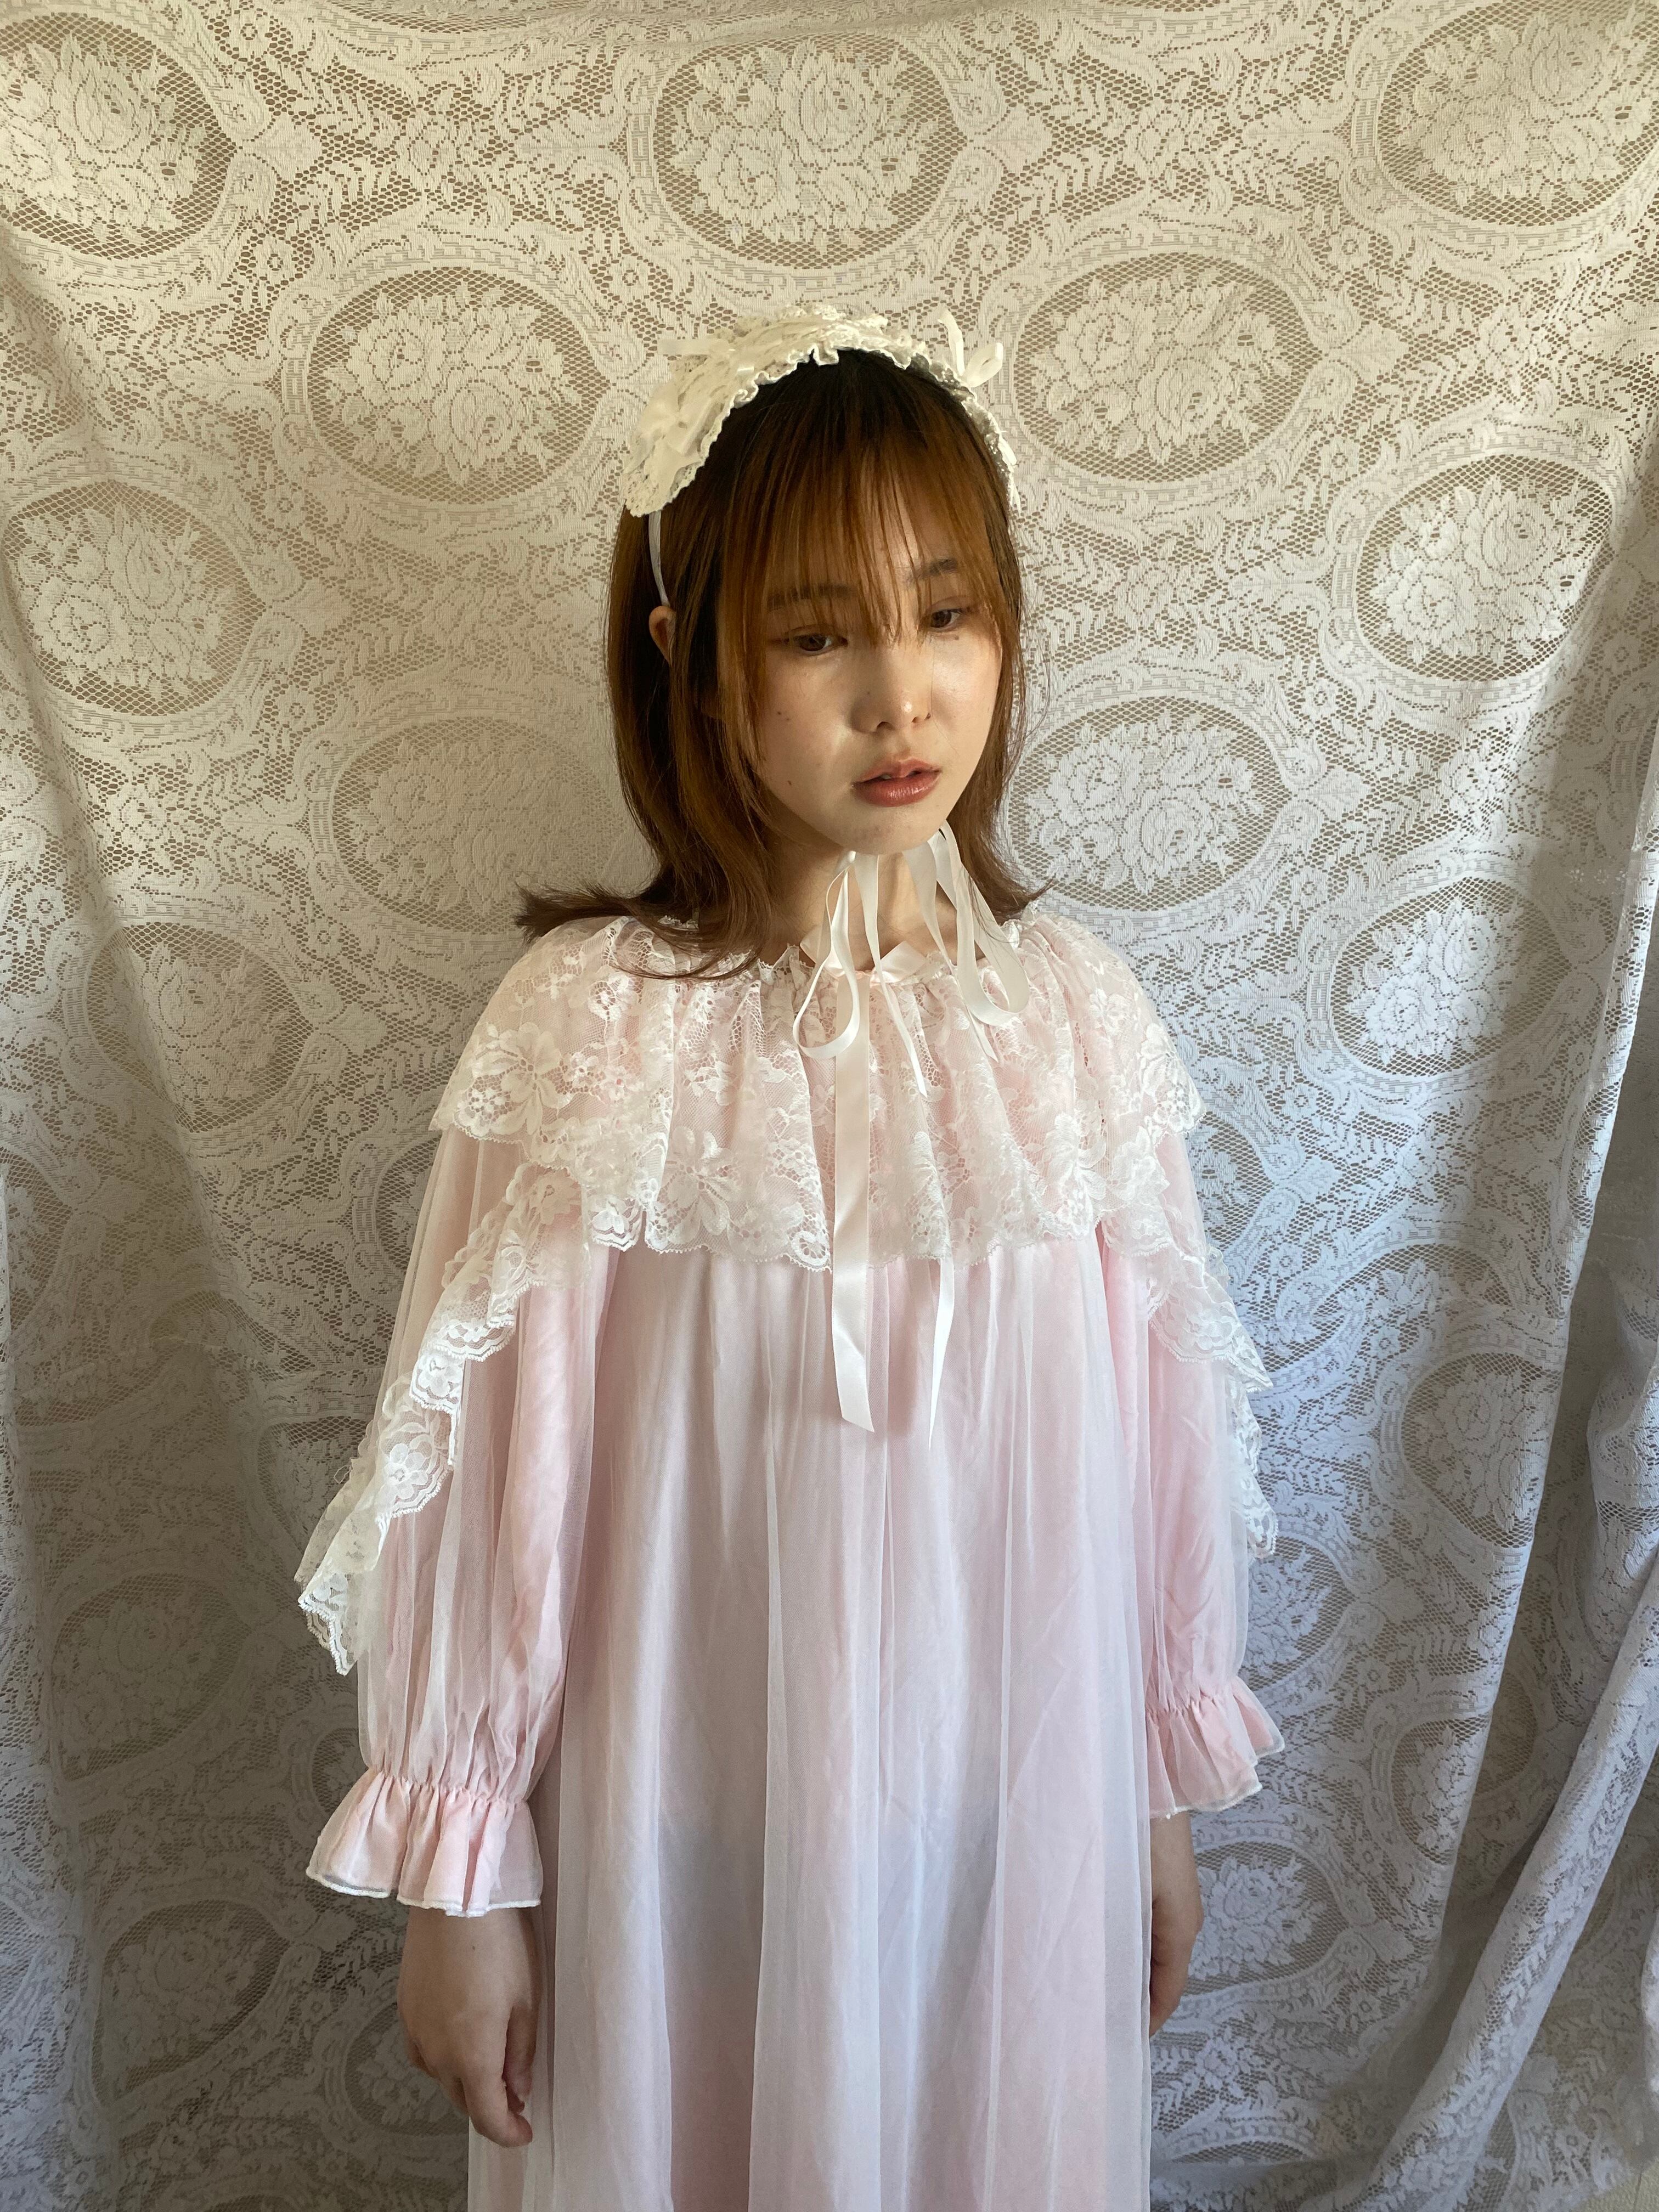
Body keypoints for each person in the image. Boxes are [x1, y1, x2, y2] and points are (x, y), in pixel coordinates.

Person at [295, 299, 1284, 2210]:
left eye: (947, 613)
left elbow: (1151, 1453)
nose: (902, 697)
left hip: (1005, 1832)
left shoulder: (1072, 1024)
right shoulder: (597, 1028)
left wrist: (1153, 1799)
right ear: (690, 652)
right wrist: (461, 1872)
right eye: (821, 634)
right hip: (678, 1840)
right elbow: (493, 1470)